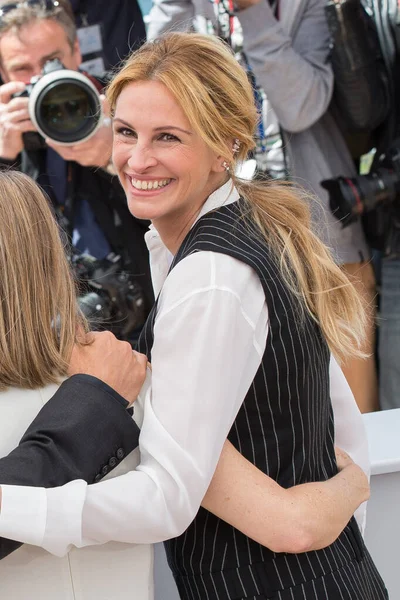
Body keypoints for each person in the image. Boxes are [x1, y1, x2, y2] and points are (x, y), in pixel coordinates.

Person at [0, 33, 387, 599]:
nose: (137, 159)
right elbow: (341, 423)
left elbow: (165, 499)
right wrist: (334, 501)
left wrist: (13, 505)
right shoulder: (247, 232)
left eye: (168, 138)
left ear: (226, 144)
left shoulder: (210, 278)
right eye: (127, 132)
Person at [147, 0, 379, 413]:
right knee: (254, 414)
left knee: (350, 413)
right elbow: (155, 83)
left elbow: (302, 105)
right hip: (223, 235)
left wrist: (252, 14)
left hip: (322, 236)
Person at [0, 0, 154, 312]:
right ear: (3, 74)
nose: (40, 80)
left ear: (77, 52)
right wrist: (4, 163)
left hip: (141, 301)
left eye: (51, 62)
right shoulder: (7, 132)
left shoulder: (122, 107)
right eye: (22, 69)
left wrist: (116, 159)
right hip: (45, 314)